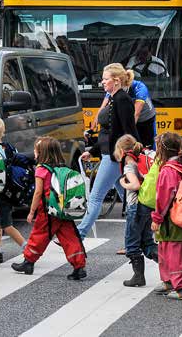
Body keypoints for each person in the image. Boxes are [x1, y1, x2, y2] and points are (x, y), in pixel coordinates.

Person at [77, 63, 140, 239]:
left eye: (105, 79)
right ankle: (136, 239)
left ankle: (79, 234)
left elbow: (127, 131)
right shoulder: (114, 98)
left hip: (114, 158)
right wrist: (94, 150)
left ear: (117, 81)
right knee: (130, 202)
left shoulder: (122, 100)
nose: (102, 82)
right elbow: (108, 132)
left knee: (96, 197)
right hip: (110, 154)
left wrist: (128, 156)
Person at [11, 137, 87, 280]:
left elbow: (38, 192)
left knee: (39, 235)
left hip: (47, 210)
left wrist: (31, 211)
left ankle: (28, 262)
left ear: (41, 153)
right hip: (62, 209)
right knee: (70, 237)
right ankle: (79, 266)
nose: (34, 152)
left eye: (36, 150)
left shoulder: (41, 169)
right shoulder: (62, 168)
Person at [151, 132, 182, 300]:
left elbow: (163, 197)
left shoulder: (168, 171)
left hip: (170, 218)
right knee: (165, 249)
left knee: (173, 251)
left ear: (162, 149)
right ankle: (169, 280)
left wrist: (156, 218)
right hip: (179, 214)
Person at [114, 134, 158, 287]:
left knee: (132, 244)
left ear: (120, 150)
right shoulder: (143, 156)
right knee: (147, 242)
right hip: (149, 205)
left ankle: (138, 277)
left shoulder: (129, 163)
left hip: (136, 207)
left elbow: (135, 185)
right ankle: (171, 267)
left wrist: (122, 183)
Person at [0, 116, 27, 263]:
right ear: (3, 131)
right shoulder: (9, 147)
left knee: (6, 224)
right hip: (11, 189)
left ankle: (27, 248)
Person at [98, 79, 157, 148]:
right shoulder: (114, 87)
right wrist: (92, 129)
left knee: (145, 146)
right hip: (129, 116)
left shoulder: (140, 87)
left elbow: (136, 113)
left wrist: (125, 131)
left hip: (145, 118)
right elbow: (102, 108)